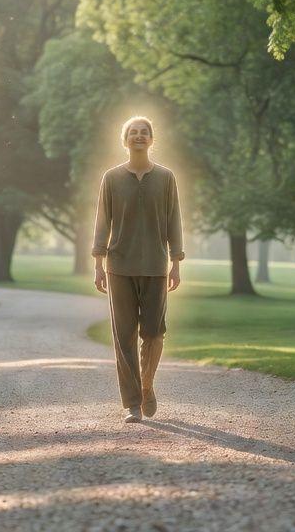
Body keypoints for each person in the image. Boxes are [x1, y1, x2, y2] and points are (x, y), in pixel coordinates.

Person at [92, 115, 184, 423]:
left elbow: (174, 219)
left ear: (152, 139)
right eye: (133, 132)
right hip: (119, 266)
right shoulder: (111, 178)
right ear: (125, 140)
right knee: (124, 337)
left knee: (155, 333)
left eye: (144, 132)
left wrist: (176, 262)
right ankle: (132, 403)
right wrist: (98, 263)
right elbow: (102, 222)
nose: (139, 136)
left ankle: (146, 385)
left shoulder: (166, 178)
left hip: (156, 266)